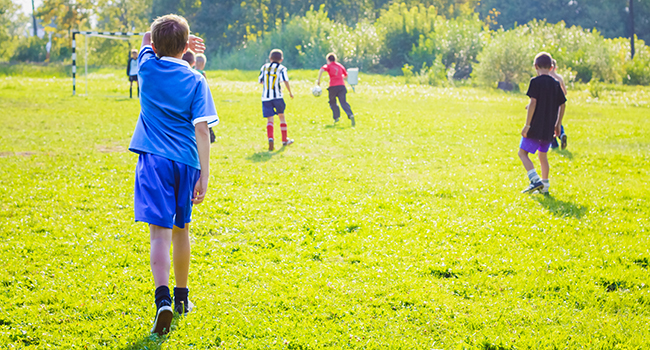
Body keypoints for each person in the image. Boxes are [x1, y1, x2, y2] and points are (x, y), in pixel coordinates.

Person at [128, 14, 218, 336]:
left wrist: (165, 40)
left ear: (155, 45)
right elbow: (202, 130)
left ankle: (162, 298)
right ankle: (182, 299)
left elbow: (144, 40)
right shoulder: (196, 80)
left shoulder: (147, 69)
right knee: (182, 230)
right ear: (186, 46)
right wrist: (203, 175)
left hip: (154, 161)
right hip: (186, 162)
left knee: (159, 234)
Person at [519, 52, 566, 194]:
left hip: (535, 127)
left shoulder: (535, 82)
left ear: (536, 66)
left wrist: (527, 125)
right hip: (549, 128)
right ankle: (545, 187)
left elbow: (533, 102)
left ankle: (535, 180)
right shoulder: (556, 84)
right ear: (552, 67)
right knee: (543, 156)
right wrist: (558, 124)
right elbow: (562, 104)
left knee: (522, 153)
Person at [258, 49, 294, 151]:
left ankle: (270, 138)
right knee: (281, 117)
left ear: (270, 58)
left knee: (270, 119)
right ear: (281, 59)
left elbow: (261, 81)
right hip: (278, 97)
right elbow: (285, 80)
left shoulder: (264, 67)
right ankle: (284, 140)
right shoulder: (282, 68)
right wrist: (290, 92)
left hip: (266, 97)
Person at [317, 53, 355, 126]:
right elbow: (346, 75)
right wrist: (340, 78)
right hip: (341, 86)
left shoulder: (328, 66)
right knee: (343, 102)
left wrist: (319, 81)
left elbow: (321, 70)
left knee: (332, 102)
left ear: (328, 60)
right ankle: (350, 115)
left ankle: (336, 117)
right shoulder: (340, 66)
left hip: (333, 87)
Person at [549, 59, 568, 150]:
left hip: (549, 104)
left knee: (549, 123)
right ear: (555, 68)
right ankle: (562, 135)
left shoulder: (547, 77)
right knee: (558, 121)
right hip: (558, 104)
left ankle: (554, 144)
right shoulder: (559, 78)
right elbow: (565, 92)